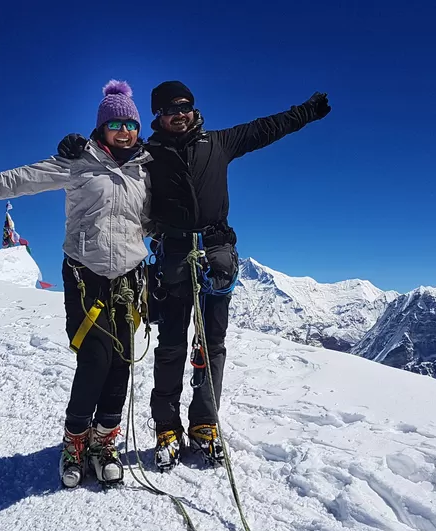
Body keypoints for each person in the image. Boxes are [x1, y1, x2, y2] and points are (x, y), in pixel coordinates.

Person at [58, 81, 330, 471]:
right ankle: (166, 426)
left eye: (184, 106)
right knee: (171, 347)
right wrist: (78, 144)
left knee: (211, 345)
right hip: (172, 256)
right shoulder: (147, 153)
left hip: (216, 255)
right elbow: (110, 151)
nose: (179, 114)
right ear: (157, 116)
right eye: (170, 109)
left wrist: (307, 111)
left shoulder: (220, 142)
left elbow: (267, 128)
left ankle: (204, 423)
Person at [0, 80, 152, 488]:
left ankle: (104, 440)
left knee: (122, 362)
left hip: (129, 278)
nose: (124, 131)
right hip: (86, 277)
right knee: (96, 359)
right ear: (102, 127)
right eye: (115, 123)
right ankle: (75, 441)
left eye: (130, 124)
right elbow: (15, 180)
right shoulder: (78, 161)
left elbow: (158, 213)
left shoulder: (145, 168)